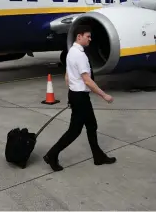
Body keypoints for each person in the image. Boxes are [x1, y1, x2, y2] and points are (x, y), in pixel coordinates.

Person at [43, 25, 116, 172]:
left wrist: (72, 90)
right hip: (80, 97)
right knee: (74, 131)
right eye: (88, 36)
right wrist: (104, 95)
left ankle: (98, 156)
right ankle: (52, 154)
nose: (90, 39)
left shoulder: (71, 52)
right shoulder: (80, 55)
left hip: (77, 95)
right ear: (79, 37)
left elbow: (67, 76)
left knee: (91, 125)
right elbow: (87, 80)